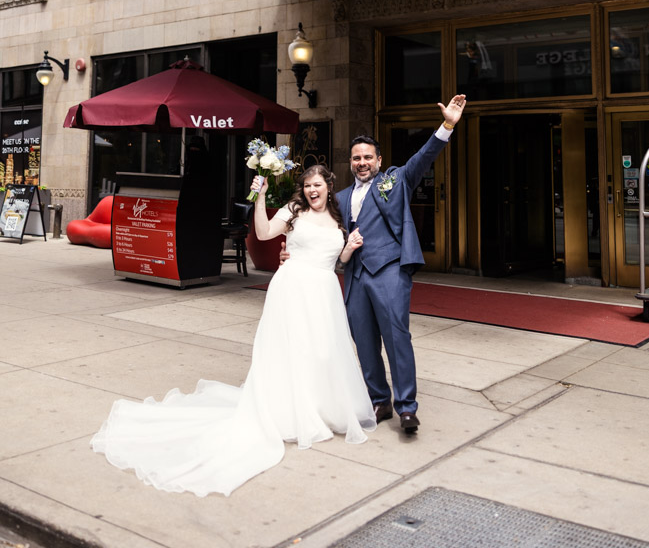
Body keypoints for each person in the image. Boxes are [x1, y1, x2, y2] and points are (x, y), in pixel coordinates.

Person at [90, 165, 375, 498]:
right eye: (308, 185)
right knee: (293, 350)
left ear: (329, 186)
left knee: (322, 352)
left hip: (325, 292)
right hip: (294, 289)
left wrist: (350, 248)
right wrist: (261, 197)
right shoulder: (293, 212)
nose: (313, 190)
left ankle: (318, 407)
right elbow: (265, 232)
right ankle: (292, 412)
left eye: (319, 185)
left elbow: (335, 260)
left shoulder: (339, 221)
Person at [281, 94, 466, 435]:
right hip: (354, 278)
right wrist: (292, 251)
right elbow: (317, 231)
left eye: (367, 157)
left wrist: (447, 125)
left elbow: (424, 157)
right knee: (364, 343)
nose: (362, 162)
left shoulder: (395, 180)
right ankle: (379, 400)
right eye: (356, 158)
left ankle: (407, 408)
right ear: (349, 163)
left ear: (379, 160)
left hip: (390, 272)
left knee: (397, 339)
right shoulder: (339, 198)